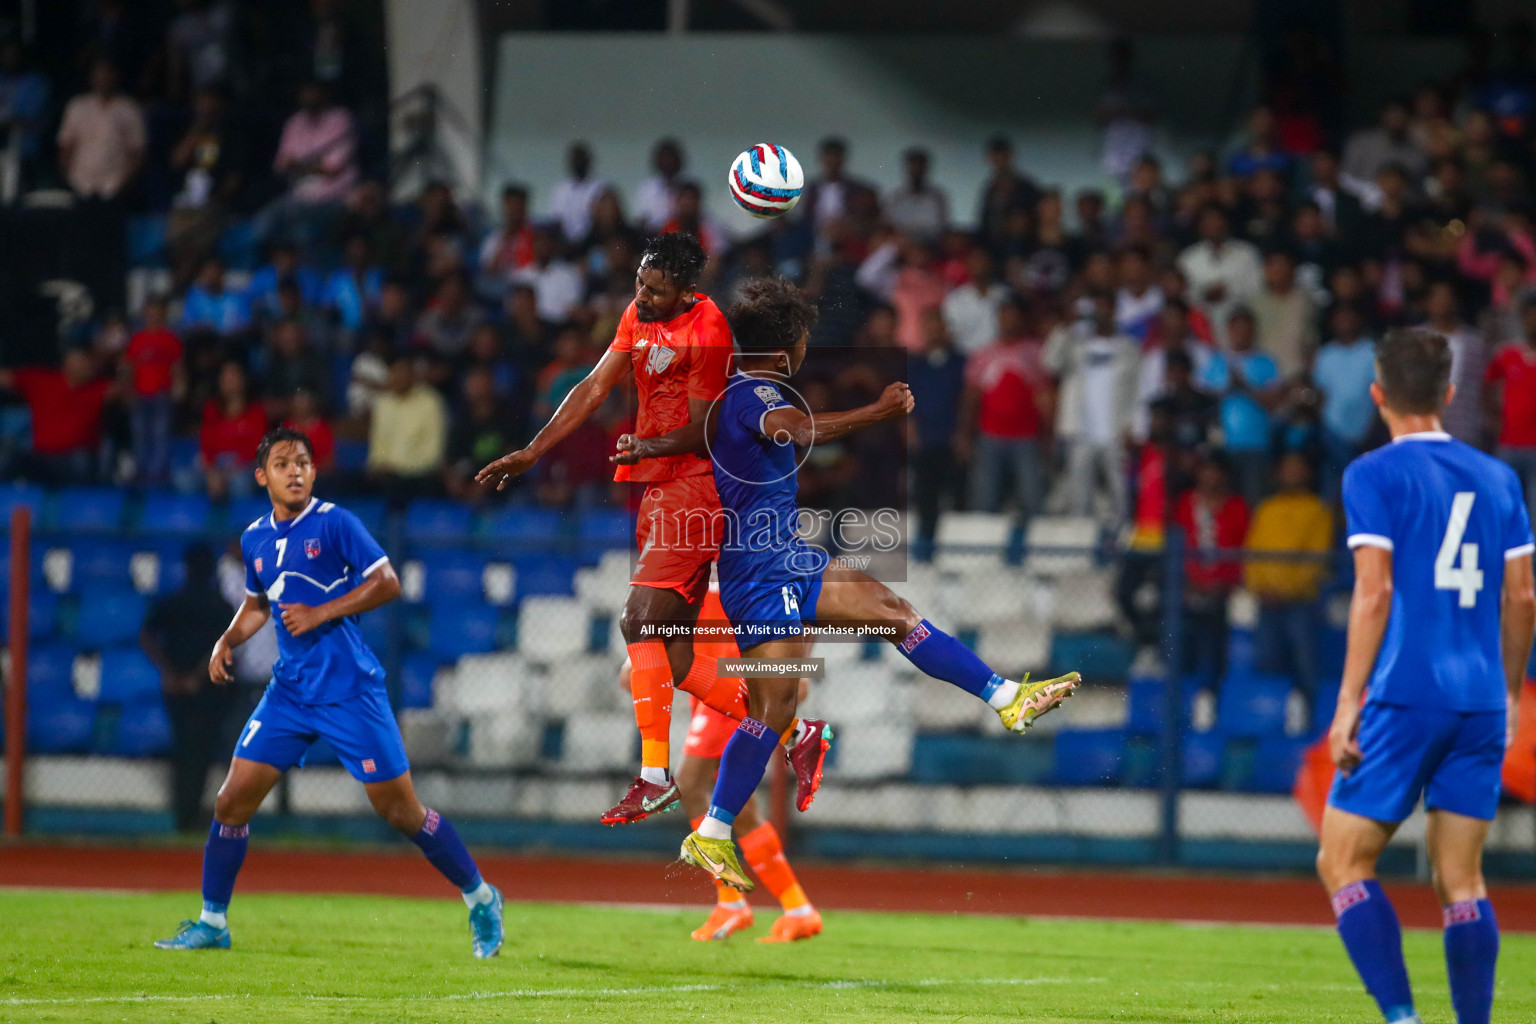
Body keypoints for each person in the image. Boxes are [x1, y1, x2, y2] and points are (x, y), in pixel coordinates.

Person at [612, 277, 1080, 888]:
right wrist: (879, 411)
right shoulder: (753, 394)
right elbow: (801, 433)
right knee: (781, 700)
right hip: (766, 568)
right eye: (803, 339)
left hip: (777, 560)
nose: (807, 350)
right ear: (785, 350)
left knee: (872, 625)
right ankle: (713, 832)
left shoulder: (729, 394)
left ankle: (1004, 700)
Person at [475, 233, 830, 823]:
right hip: (659, 485)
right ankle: (795, 731)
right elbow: (593, 386)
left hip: (696, 486)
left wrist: (647, 443)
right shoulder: (640, 312)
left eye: (655, 290)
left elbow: (706, 429)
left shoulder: (708, 330)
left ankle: (652, 775)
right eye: (639, 283)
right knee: (673, 652)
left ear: (687, 292)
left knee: (637, 619)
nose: (641, 296)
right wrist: (533, 451)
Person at [153, 428, 504, 955]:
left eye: (302, 462)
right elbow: (257, 604)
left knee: (400, 812)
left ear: (313, 472)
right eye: (282, 463)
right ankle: (213, 923)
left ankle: (480, 898)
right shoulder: (254, 538)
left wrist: (322, 611)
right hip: (289, 693)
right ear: (262, 476)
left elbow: (388, 582)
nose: (294, 471)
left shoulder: (336, 522)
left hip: (349, 691)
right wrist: (226, 640)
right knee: (230, 802)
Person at [1317, 328, 1535, 1024]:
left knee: (1343, 861)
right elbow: (1523, 596)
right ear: (1447, 393)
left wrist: (1349, 701)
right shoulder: (1499, 476)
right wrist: (1507, 691)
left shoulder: (1372, 474)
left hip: (1407, 693)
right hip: (1480, 700)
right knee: (1462, 880)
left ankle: (1403, 1019)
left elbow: (1374, 591)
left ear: (1378, 394)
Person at [621, 586, 821, 943]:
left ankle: (732, 902)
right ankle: (798, 909)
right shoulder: (696, 559)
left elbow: (804, 599)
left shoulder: (743, 550)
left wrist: (798, 666)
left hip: (736, 679)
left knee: (691, 785)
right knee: (740, 809)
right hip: (708, 684)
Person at [141, 543, 236, 832]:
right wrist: (195, 676)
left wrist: (170, 674)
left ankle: (184, 815)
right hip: (208, 689)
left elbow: (147, 636)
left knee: (184, 749)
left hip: (179, 689)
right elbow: (224, 645)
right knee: (201, 752)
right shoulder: (220, 606)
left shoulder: (171, 602)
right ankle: (189, 815)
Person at [1244, 453, 1333, 706]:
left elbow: (1316, 558)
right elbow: (1253, 551)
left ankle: (1310, 718)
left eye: (1297, 469)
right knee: (1266, 659)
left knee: (1305, 660)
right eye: (1287, 469)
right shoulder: (1267, 507)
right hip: (1266, 600)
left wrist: (1288, 589)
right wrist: (1258, 587)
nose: (1291, 474)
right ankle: (1268, 721)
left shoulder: (1317, 510)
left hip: (1300, 601)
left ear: (1307, 474)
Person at [958, 296, 1049, 519]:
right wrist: (964, 433)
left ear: (1021, 318)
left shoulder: (1035, 352)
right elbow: (971, 396)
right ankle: (983, 551)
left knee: (1032, 498)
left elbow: (1044, 396)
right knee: (985, 500)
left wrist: (1048, 433)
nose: (1007, 320)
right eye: (1003, 315)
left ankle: (1036, 551)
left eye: (1012, 315)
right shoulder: (983, 354)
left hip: (1026, 436)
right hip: (990, 436)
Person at [55, 57, 144, 200]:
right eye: (99, 73)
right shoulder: (77, 106)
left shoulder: (129, 109)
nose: (103, 78)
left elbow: (137, 152)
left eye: (107, 73)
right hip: (81, 185)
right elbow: (66, 146)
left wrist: (123, 185)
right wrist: (69, 181)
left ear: (116, 76)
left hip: (114, 187)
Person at [365, 356, 447, 501]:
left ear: (412, 375)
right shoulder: (383, 404)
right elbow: (378, 444)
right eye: (394, 373)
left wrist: (398, 468)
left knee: (398, 487)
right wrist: (377, 464)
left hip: (417, 473)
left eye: (403, 373)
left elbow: (432, 452)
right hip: (387, 473)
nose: (398, 378)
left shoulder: (430, 402)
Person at [122, 297, 184, 485]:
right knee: (140, 435)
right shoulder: (137, 339)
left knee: (160, 435)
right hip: (140, 394)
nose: (154, 315)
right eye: (151, 310)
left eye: (158, 311)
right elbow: (128, 367)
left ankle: (157, 475)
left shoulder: (171, 338)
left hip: (161, 394)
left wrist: (179, 386)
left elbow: (177, 366)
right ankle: (141, 472)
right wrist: (128, 390)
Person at [1483, 297, 1536, 518]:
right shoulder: (1508, 354)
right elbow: (1486, 386)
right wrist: (1494, 419)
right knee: (1503, 509)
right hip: (1508, 444)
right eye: (1529, 315)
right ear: (1522, 319)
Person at [885, 147, 949, 243]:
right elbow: (888, 223)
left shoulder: (937, 197)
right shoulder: (895, 196)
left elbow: (939, 227)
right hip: (900, 244)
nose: (916, 170)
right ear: (907, 168)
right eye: (913, 166)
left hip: (929, 245)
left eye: (920, 166)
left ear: (926, 169)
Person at [549, 142, 606, 247]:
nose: (578, 163)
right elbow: (557, 220)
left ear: (588, 161)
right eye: (575, 160)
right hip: (565, 243)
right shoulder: (561, 189)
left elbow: (598, 221)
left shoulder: (599, 187)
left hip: (592, 242)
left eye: (581, 160)